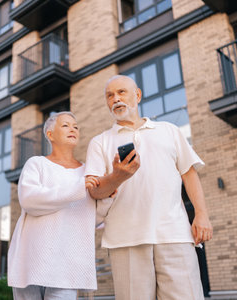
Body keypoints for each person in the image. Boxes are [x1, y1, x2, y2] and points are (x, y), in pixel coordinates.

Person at [85, 75, 213, 300]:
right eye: (110, 95)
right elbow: (94, 191)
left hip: (175, 234)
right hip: (126, 239)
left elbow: (189, 174)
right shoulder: (99, 142)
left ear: (138, 95)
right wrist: (117, 176)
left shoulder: (169, 130)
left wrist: (201, 214)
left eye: (121, 92)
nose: (116, 99)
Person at [8, 111, 106, 300]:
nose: (73, 129)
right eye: (66, 125)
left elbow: (93, 218)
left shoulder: (89, 171)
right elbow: (30, 201)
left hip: (67, 267)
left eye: (76, 127)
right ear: (50, 135)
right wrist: (77, 188)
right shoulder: (36, 164)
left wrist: (108, 195)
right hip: (30, 263)